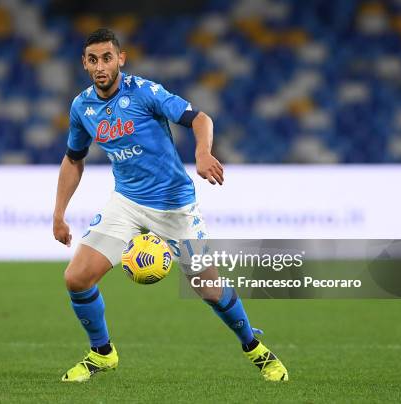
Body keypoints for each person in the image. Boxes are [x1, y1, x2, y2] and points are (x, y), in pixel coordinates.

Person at [53, 28, 288, 382]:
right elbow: (73, 159)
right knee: (77, 278)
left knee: (208, 287)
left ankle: (255, 348)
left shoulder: (145, 92)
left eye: (106, 58)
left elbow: (200, 119)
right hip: (127, 201)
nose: (100, 66)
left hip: (174, 204)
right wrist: (59, 214)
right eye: (92, 59)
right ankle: (102, 353)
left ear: (121, 59)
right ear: (84, 64)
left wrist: (203, 152)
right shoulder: (82, 106)